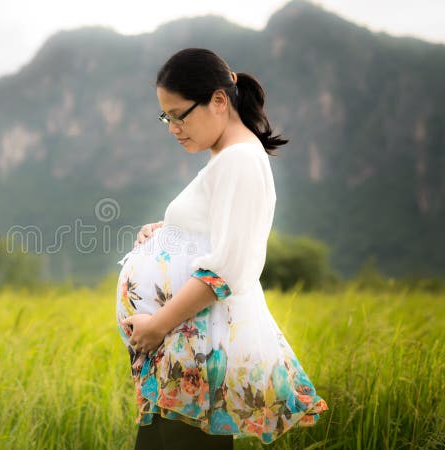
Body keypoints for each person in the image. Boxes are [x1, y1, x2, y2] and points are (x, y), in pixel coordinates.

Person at [116, 48, 328, 448]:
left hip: (198, 349)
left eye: (180, 114)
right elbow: (211, 232)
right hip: (184, 350)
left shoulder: (239, 161)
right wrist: (165, 234)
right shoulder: (225, 159)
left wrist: (157, 326)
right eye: (167, 117)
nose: (173, 127)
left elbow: (227, 269)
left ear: (218, 100)